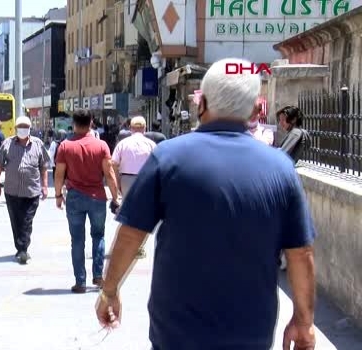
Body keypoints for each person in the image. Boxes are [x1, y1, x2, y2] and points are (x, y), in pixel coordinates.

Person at [96, 58, 317, 350]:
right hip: (250, 333)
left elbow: (131, 234)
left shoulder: (168, 157)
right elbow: (300, 253)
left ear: (202, 104)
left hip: (176, 333)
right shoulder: (280, 168)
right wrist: (304, 320)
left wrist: (110, 290)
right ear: (254, 110)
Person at [54, 109, 119, 294]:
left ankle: (80, 282)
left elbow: (59, 174)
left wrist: (58, 195)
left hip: (74, 197)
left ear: (73, 123)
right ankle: (98, 276)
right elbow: (109, 173)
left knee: (77, 240)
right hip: (97, 197)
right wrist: (115, 196)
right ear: (91, 122)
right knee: (98, 236)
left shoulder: (65, 146)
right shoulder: (101, 146)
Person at [0, 116, 50, 265]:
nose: (23, 129)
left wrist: (44, 186)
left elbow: (44, 166)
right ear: (16, 128)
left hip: (32, 191)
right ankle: (20, 248)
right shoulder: (7, 143)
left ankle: (23, 248)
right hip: (12, 191)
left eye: (25, 126)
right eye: (20, 126)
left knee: (26, 220)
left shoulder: (38, 144)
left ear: (30, 128)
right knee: (16, 221)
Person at [111, 116, 156, 259]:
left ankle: (125, 246)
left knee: (128, 214)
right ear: (144, 128)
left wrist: (117, 182)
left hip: (126, 179)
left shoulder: (123, 144)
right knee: (144, 215)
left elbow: (114, 163)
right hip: (145, 180)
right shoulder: (151, 144)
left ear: (130, 128)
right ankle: (140, 248)